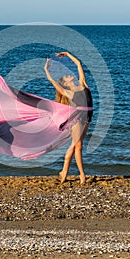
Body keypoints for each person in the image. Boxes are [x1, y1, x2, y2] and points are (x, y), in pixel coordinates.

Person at [44, 51, 93, 184]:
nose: (69, 75)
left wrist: (67, 54)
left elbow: (79, 64)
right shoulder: (67, 92)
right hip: (77, 119)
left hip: (87, 118)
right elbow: (52, 81)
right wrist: (46, 69)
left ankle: (64, 171)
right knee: (79, 146)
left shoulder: (83, 84)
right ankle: (82, 175)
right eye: (66, 77)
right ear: (65, 83)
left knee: (74, 145)